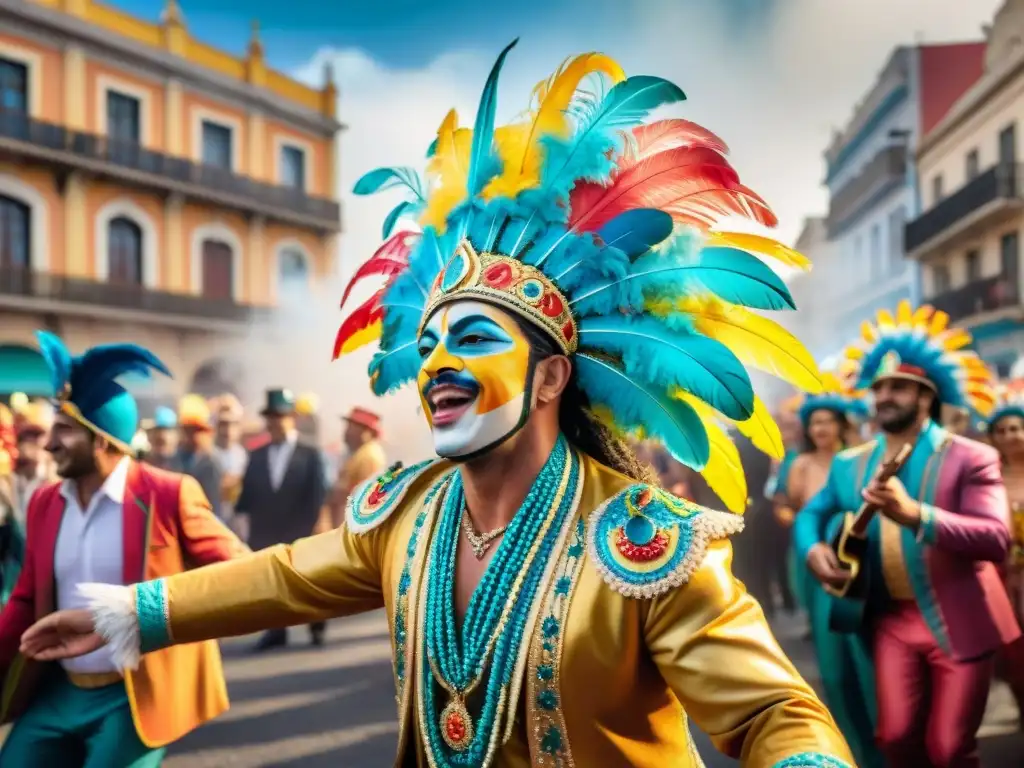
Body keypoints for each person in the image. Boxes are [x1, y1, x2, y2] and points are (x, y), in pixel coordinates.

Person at [21, 43, 854, 767]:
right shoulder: (409, 513)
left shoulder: (643, 544)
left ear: (552, 378)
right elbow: (283, 576)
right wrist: (131, 611)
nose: (439, 366)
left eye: (477, 342)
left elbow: (771, 712)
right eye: (427, 348)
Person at [0, 331, 249, 767]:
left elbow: (240, 575)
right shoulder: (44, 500)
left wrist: (155, 615)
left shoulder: (168, 494)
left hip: (136, 693)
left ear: (101, 438)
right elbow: (25, 598)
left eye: (65, 429)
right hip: (61, 689)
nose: (49, 442)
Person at [795, 300, 1019, 768]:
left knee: (949, 748)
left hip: (957, 619)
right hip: (889, 624)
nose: (886, 396)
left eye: (900, 387)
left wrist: (915, 514)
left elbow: (996, 537)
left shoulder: (969, 457)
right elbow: (809, 516)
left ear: (925, 396)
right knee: (894, 739)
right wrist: (814, 548)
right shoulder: (849, 463)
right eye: (880, 388)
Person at [787, 377, 881, 767]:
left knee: (871, 660)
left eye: (827, 422)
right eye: (814, 423)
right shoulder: (802, 463)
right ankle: (861, 751)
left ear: (843, 424)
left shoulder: (863, 459)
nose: (819, 429)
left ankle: (888, 746)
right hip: (820, 567)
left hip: (867, 567)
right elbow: (797, 508)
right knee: (836, 670)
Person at [234, 388, 327, 650]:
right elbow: (247, 492)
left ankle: (316, 624)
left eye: (281, 416)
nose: (276, 421)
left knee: (308, 581)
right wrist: (242, 519)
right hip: (266, 529)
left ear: (292, 418)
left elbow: (317, 493)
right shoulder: (257, 455)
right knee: (271, 581)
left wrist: (312, 526)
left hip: (300, 526)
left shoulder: (310, 453)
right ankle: (276, 629)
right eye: (272, 417)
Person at [984, 383, 1024, 725]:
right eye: (1002, 430)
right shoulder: (989, 480)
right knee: (1016, 657)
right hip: (1006, 579)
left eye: (1016, 428)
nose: (1010, 436)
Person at [322, 406, 388, 530]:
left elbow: (363, 497)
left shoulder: (369, 456)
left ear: (366, 432)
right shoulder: (358, 453)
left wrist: (336, 494)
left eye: (352, 428)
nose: (347, 432)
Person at [169, 394, 224, 521]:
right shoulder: (175, 459)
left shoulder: (211, 462)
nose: (193, 435)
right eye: (189, 430)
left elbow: (215, 504)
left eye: (197, 430)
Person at [210, 393, 249, 534]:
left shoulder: (245, 457)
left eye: (233, 424)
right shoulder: (206, 457)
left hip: (238, 529)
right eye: (223, 424)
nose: (228, 430)